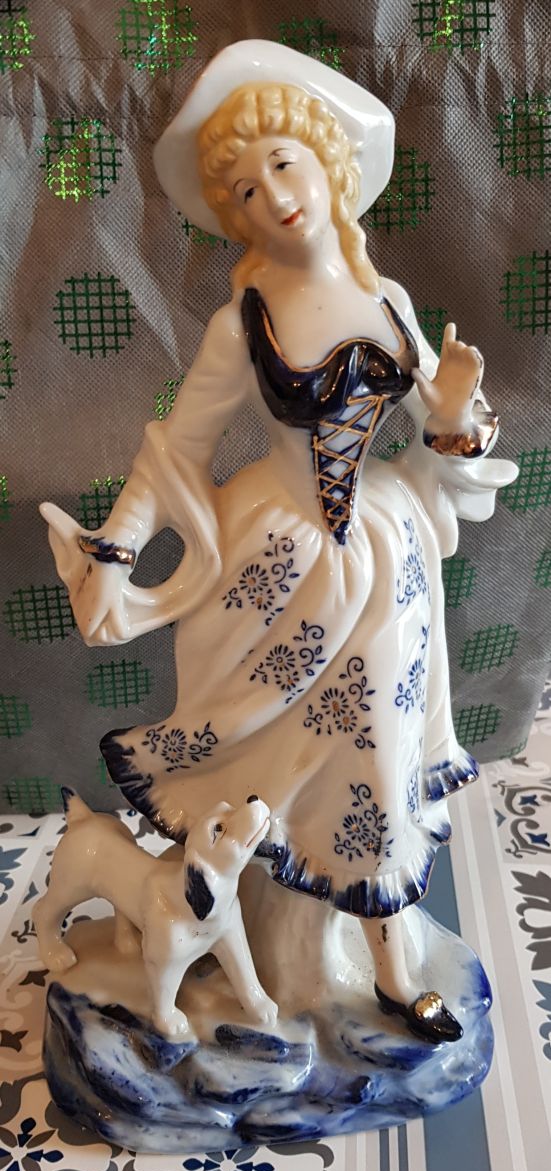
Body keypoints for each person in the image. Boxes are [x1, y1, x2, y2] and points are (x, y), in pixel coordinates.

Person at [41, 40, 516, 1043]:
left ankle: (389, 967)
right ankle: (246, 953)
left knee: (378, 753)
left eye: (285, 166)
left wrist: (455, 419)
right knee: (264, 759)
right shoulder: (241, 325)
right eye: (246, 192)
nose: (274, 200)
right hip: (275, 562)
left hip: (380, 559)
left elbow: (439, 423)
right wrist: (116, 551)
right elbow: (177, 448)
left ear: (329, 166)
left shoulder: (387, 304)